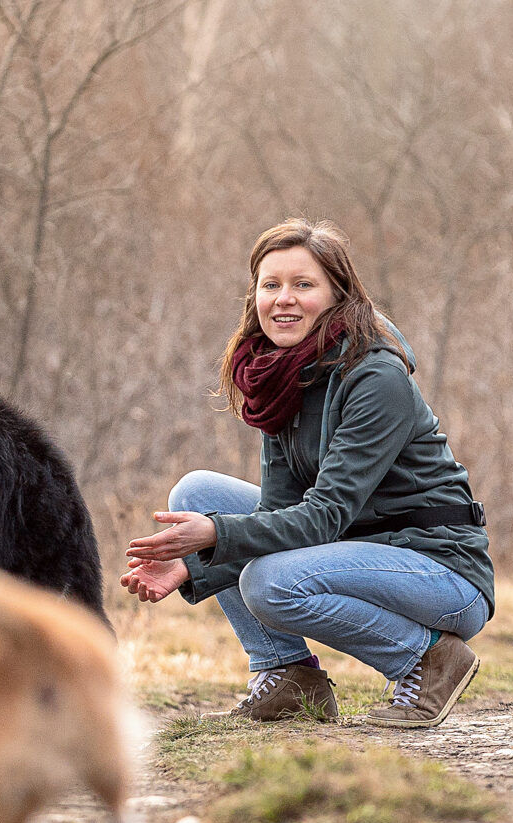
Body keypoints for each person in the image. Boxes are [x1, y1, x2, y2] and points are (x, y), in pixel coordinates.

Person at [121, 217, 494, 728]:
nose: (284, 299)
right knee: (198, 492)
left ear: (338, 295)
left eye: (303, 285)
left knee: (269, 582)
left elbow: (324, 519)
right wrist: (196, 564)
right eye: (270, 285)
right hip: (364, 550)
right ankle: (288, 677)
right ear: (253, 296)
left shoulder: (375, 377)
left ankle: (426, 659)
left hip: (439, 570)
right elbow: (279, 515)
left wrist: (214, 536)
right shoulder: (281, 377)